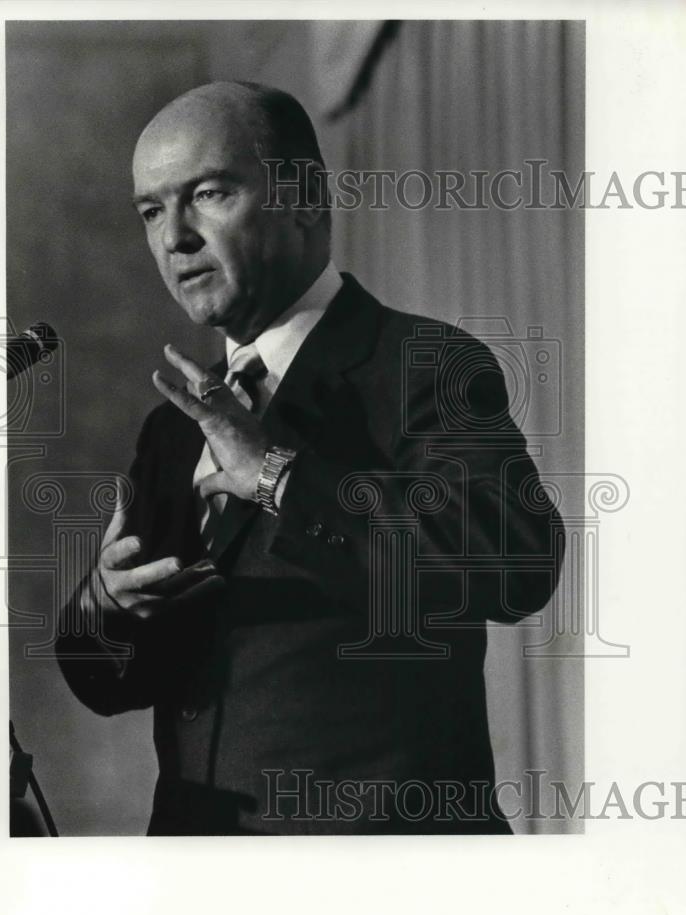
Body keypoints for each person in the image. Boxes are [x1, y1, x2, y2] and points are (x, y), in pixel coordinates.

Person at [55, 81, 563, 835]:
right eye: (151, 211)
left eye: (207, 194)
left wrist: (277, 474)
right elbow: (109, 684)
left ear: (304, 195)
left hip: (382, 887)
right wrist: (108, 605)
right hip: (201, 888)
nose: (174, 238)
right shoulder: (172, 426)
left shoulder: (424, 363)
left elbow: (516, 567)